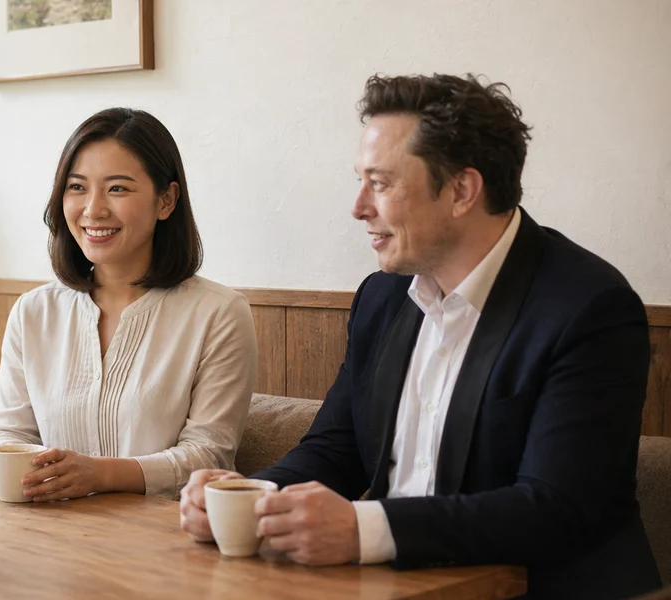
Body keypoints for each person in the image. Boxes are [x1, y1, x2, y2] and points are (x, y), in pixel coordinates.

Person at [179, 74, 661, 599]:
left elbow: (554, 508)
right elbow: (337, 449)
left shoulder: (588, 308)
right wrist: (249, 496)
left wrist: (362, 529)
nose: (358, 207)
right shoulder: (381, 298)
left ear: (460, 191)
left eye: (380, 183)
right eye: (359, 181)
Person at [0, 107, 258, 501]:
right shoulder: (33, 312)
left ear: (166, 200)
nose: (93, 209)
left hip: (168, 542)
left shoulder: (219, 313)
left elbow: (209, 456)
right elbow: (12, 432)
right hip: (48, 536)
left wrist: (100, 474)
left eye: (117, 188)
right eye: (77, 187)